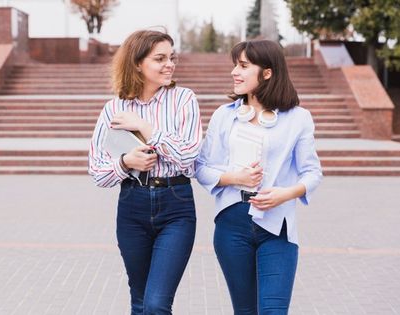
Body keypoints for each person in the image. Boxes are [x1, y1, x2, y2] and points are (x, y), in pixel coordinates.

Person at [195, 40, 323, 314]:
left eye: (243, 66)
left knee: (273, 311)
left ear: (267, 72)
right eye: (235, 65)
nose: (234, 72)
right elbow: (202, 167)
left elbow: (312, 172)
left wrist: (285, 193)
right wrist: (234, 177)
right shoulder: (224, 116)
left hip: (277, 228)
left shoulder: (298, 118)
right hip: (232, 225)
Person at [88, 30, 202, 314]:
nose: (169, 65)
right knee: (139, 300)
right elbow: (97, 171)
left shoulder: (184, 100)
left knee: (156, 303)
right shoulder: (114, 108)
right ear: (137, 63)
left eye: (171, 58)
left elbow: (189, 157)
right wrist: (127, 162)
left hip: (176, 205)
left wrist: (146, 128)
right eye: (160, 58)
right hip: (132, 207)